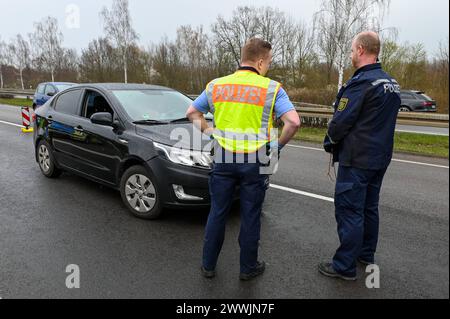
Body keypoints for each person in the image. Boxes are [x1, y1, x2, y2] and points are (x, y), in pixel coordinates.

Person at [186, 38, 301, 281]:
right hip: (256, 159)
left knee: (217, 212)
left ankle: (208, 265)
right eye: (268, 62)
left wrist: (210, 133)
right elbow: (293, 122)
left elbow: (192, 113)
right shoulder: (271, 88)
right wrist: (277, 146)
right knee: (250, 215)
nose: (268, 66)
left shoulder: (216, 86)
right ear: (260, 61)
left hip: (223, 157)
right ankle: (248, 268)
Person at [319, 31, 401, 281]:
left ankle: (344, 266)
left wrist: (330, 141)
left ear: (362, 50)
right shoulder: (391, 83)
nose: (351, 54)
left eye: (353, 50)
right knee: (369, 208)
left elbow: (340, 122)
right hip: (380, 157)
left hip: (357, 158)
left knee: (349, 210)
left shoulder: (360, 84)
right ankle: (366, 254)